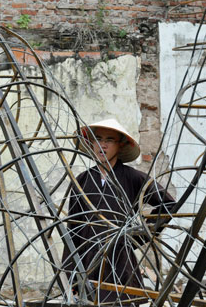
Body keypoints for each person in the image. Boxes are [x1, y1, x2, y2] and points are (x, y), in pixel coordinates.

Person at [62, 119, 175, 306]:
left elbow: (169, 205)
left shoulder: (133, 177)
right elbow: (73, 229)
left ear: (120, 145)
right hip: (88, 262)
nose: (102, 145)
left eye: (109, 140)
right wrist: (69, 277)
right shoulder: (82, 180)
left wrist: (137, 237)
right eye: (98, 139)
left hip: (120, 261)